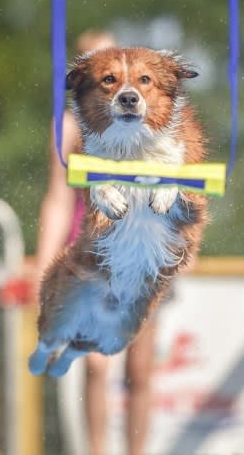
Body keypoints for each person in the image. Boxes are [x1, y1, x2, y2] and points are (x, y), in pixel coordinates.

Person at [33, 30, 157, 455]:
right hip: (92, 257)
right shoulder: (68, 127)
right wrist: (45, 263)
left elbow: (179, 188)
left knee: (140, 371)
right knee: (99, 367)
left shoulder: (147, 121)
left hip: (144, 255)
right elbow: (57, 199)